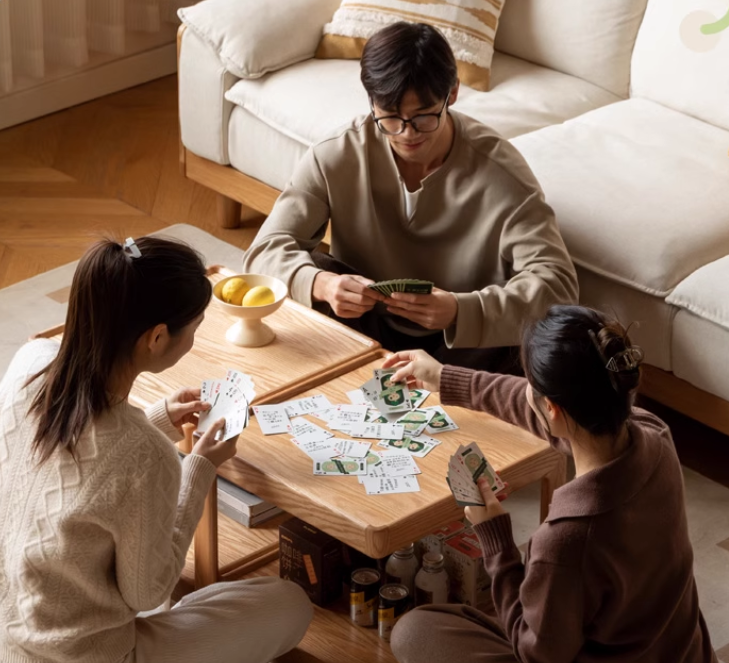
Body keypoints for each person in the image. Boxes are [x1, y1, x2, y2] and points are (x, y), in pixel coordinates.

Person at [0, 237, 312, 663]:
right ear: (158, 336)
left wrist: (157, 419)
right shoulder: (145, 455)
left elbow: (77, 460)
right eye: (196, 327)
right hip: (87, 655)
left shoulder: (30, 360)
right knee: (289, 603)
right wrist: (199, 467)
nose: (194, 340)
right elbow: (147, 591)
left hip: (8, 634)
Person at [382, 305, 717, 663]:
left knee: (414, 631)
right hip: (682, 652)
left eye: (530, 383)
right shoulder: (654, 435)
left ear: (554, 408)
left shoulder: (569, 538)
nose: (526, 390)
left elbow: (537, 654)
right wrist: (447, 378)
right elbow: (542, 413)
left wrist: (495, 537)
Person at [242, 22, 578, 371]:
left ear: (453, 93)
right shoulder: (337, 154)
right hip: (361, 323)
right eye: (389, 118)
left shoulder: (503, 175)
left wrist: (461, 311)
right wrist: (322, 285)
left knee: (540, 350)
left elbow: (558, 286)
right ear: (371, 102)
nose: (406, 134)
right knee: (309, 274)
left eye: (423, 117)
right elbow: (263, 251)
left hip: (461, 344)